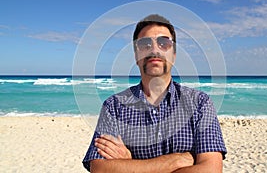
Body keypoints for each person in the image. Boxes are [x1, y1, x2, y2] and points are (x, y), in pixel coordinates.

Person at [83, 14, 227, 172]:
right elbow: (99, 168)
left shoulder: (199, 103)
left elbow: (212, 169)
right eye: (145, 44)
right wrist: (173, 161)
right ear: (137, 56)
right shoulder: (114, 106)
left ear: (174, 55)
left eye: (164, 43)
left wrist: (131, 165)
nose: (154, 49)